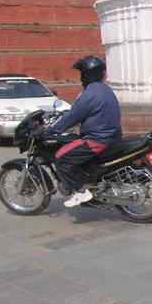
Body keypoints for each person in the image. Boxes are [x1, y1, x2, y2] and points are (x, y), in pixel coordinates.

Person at [45, 56, 122, 207]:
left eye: (82, 73)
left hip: (98, 139)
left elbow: (72, 116)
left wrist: (51, 130)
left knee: (61, 157)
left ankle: (81, 191)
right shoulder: (105, 89)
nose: (81, 77)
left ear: (87, 74)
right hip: (112, 135)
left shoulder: (90, 94)